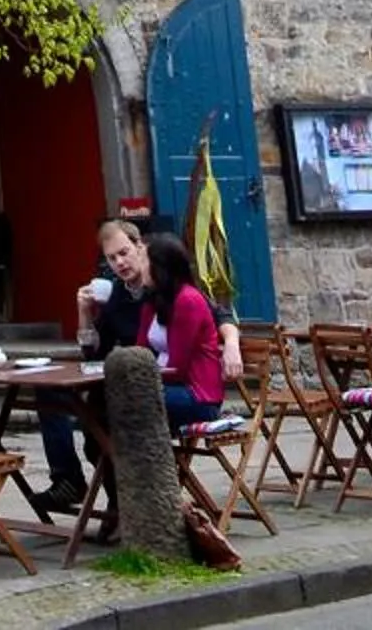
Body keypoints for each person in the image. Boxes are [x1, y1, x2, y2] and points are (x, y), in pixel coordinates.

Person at [37, 214, 244, 507]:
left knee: (106, 421)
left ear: (141, 248)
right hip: (140, 378)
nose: (120, 263)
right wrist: (84, 314)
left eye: (125, 253)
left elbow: (216, 319)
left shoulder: (179, 295)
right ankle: (71, 482)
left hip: (175, 386)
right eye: (112, 258)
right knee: (57, 396)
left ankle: (128, 506)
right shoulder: (124, 295)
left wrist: (232, 344)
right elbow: (103, 351)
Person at [137, 230, 227, 429]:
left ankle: (148, 449)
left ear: (159, 267)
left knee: (132, 400)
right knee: (109, 397)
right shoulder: (153, 300)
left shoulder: (188, 300)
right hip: (165, 385)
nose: (138, 267)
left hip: (198, 395)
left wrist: (142, 378)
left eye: (142, 261)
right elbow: (140, 352)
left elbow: (177, 368)